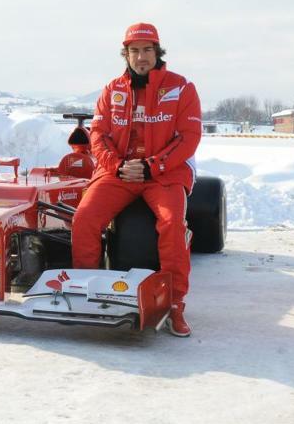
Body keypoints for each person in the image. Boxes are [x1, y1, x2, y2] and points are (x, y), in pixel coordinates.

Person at [71, 22, 202, 337]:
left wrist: (152, 166)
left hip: (165, 174)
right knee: (84, 219)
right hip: (118, 172)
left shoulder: (182, 88)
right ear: (125, 55)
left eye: (147, 50)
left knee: (172, 225)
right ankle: (86, 290)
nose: (141, 57)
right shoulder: (111, 89)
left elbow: (189, 138)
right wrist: (117, 166)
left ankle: (174, 303)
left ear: (157, 52)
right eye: (134, 51)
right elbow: (98, 136)